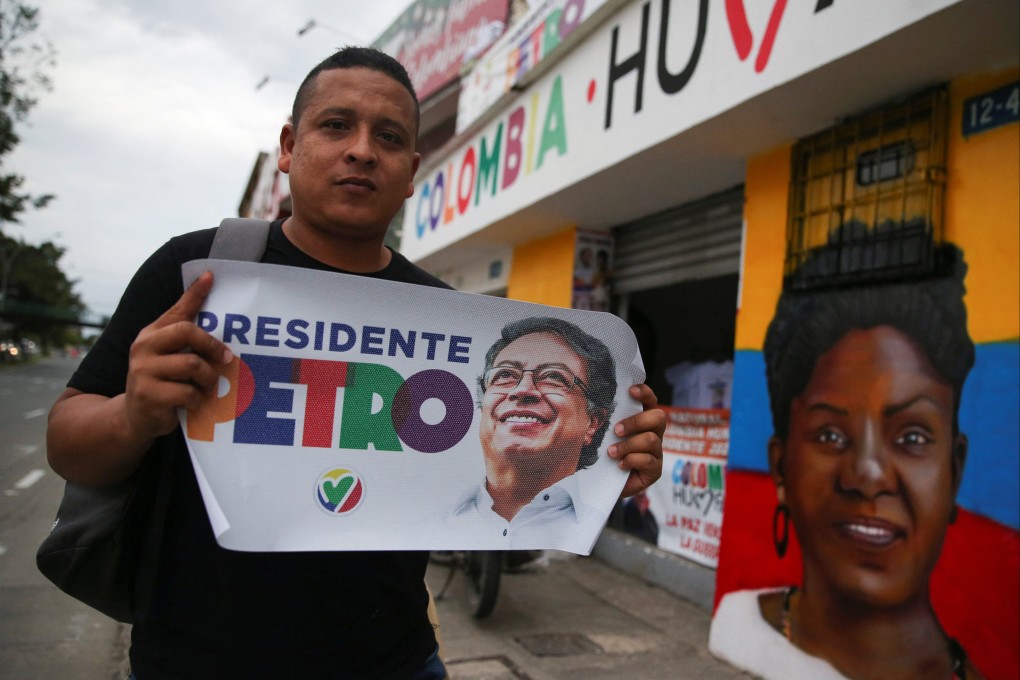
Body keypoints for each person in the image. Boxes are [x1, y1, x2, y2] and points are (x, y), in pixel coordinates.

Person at [45, 47, 665, 678]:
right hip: (194, 659)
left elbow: (500, 483)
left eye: (388, 136)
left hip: (392, 661)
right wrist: (133, 415)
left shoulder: (449, 321)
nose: (362, 150)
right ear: (289, 147)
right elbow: (68, 444)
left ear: (412, 169)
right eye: (336, 125)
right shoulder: (195, 274)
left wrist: (608, 467)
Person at [709, 240, 985, 679]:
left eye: (912, 435)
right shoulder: (735, 625)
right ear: (781, 469)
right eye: (830, 434)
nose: (869, 475)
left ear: (955, 470)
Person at [452, 317, 622, 550]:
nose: (522, 390)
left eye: (554, 377)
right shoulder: (422, 523)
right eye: (505, 375)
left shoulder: (600, 532)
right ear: (483, 404)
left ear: (593, 422)